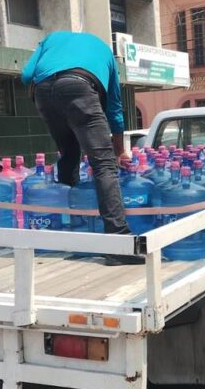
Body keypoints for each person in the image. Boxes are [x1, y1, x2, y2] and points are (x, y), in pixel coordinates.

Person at [22, 31, 142, 266]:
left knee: (69, 156)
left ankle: (68, 229)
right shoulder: (106, 53)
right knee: (103, 165)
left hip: (43, 93)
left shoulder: (50, 40)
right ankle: (118, 244)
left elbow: (27, 75)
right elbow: (115, 109)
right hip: (79, 86)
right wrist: (118, 152)